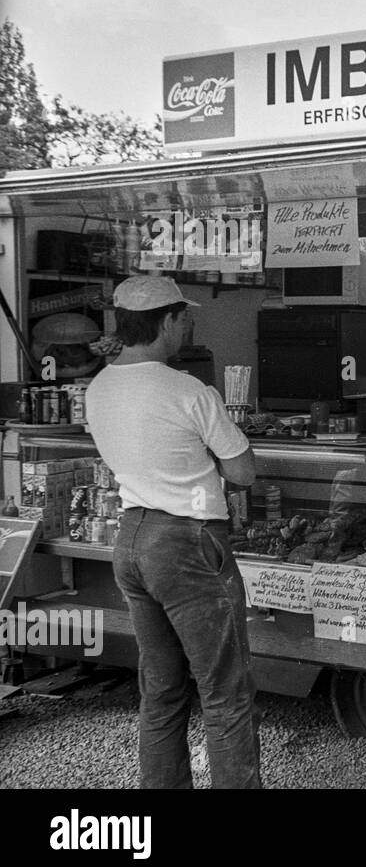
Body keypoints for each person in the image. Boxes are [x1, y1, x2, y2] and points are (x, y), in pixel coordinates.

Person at [85, 276, 260, 789]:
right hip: (187, 543)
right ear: (166, 321)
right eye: (184, 318)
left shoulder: (99, 387)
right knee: (225, 693)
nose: (187, 327)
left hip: (132, 538)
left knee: (161, 690)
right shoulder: (188, 391)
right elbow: (243, 472)